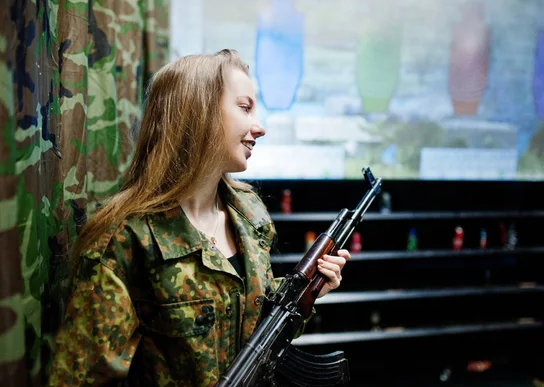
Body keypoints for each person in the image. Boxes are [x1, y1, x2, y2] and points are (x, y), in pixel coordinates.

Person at [47, 49, 351, 386]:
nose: (259, 127)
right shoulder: (125, 237)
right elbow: (83, 377)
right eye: (245, 107)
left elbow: (248, 320)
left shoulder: (249, 212)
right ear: (199, 111)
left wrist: (304, 294)